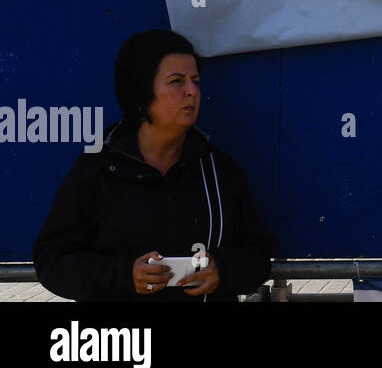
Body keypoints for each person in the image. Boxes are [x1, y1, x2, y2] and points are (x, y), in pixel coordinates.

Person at [34, 29, 272, 301]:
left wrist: (223, 270)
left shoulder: (220, 171)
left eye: (195, 80)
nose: (192, 92)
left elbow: (258, 254)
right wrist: (125, 275)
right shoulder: (96, 170)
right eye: (176, 81)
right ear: (141, 90)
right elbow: (52, 260)